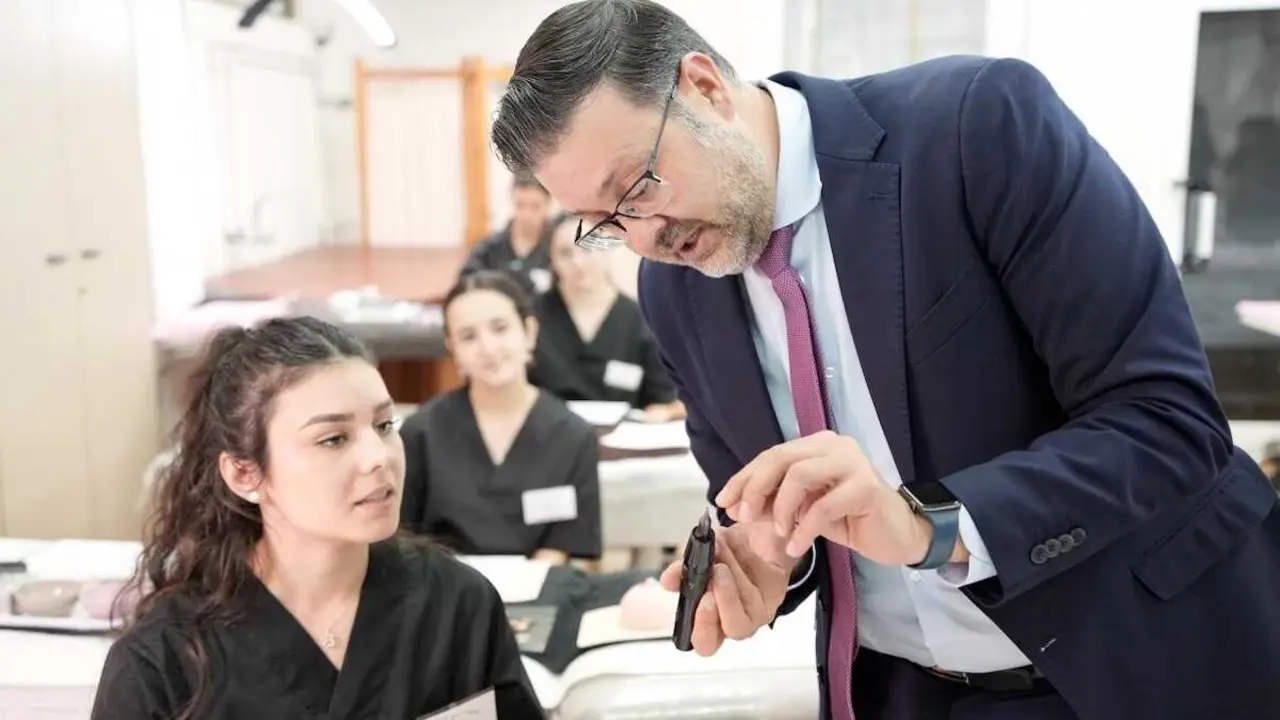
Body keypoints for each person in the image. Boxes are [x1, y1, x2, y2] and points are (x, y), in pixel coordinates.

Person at [489, 2, 1280, 720]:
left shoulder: (977, 128)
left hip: (1132, 664)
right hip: (900, 689)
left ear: (703, 86)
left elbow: (1167, 422)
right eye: (601, 223)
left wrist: (928, 526)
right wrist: (769, 568)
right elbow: (771, 508)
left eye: (637, 186)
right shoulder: (677, 293)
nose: (642, 237)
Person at [91, 317, 544, 720]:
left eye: (384, 426)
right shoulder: (164, 661)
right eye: (333, 439)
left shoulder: (456, 605)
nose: (377, 457)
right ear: (246, 474)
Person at [399, 270, 602, 564]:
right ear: (452, 348)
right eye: (469, 336)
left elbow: (563, 544)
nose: (488, 348)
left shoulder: (573, 435)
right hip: (446, 596)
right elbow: (404, 539)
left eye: (500, 328)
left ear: (529, 332)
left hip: (537, 595)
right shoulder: (420, 433)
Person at [531, 215, 686, 421]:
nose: (577, 262)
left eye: (587, 247)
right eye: (565, 253)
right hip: (548, 438)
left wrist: (662, 414)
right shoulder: (532, 317)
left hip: (622, 440)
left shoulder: (640, 321)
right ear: (552, 261)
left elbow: (665, 401)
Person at [461, 174, 556, 295]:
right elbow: (466, 283)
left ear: (548, 204)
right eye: (520, 205)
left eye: (535, 207)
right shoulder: (490, 247)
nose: (526, 215)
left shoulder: (559, 247)